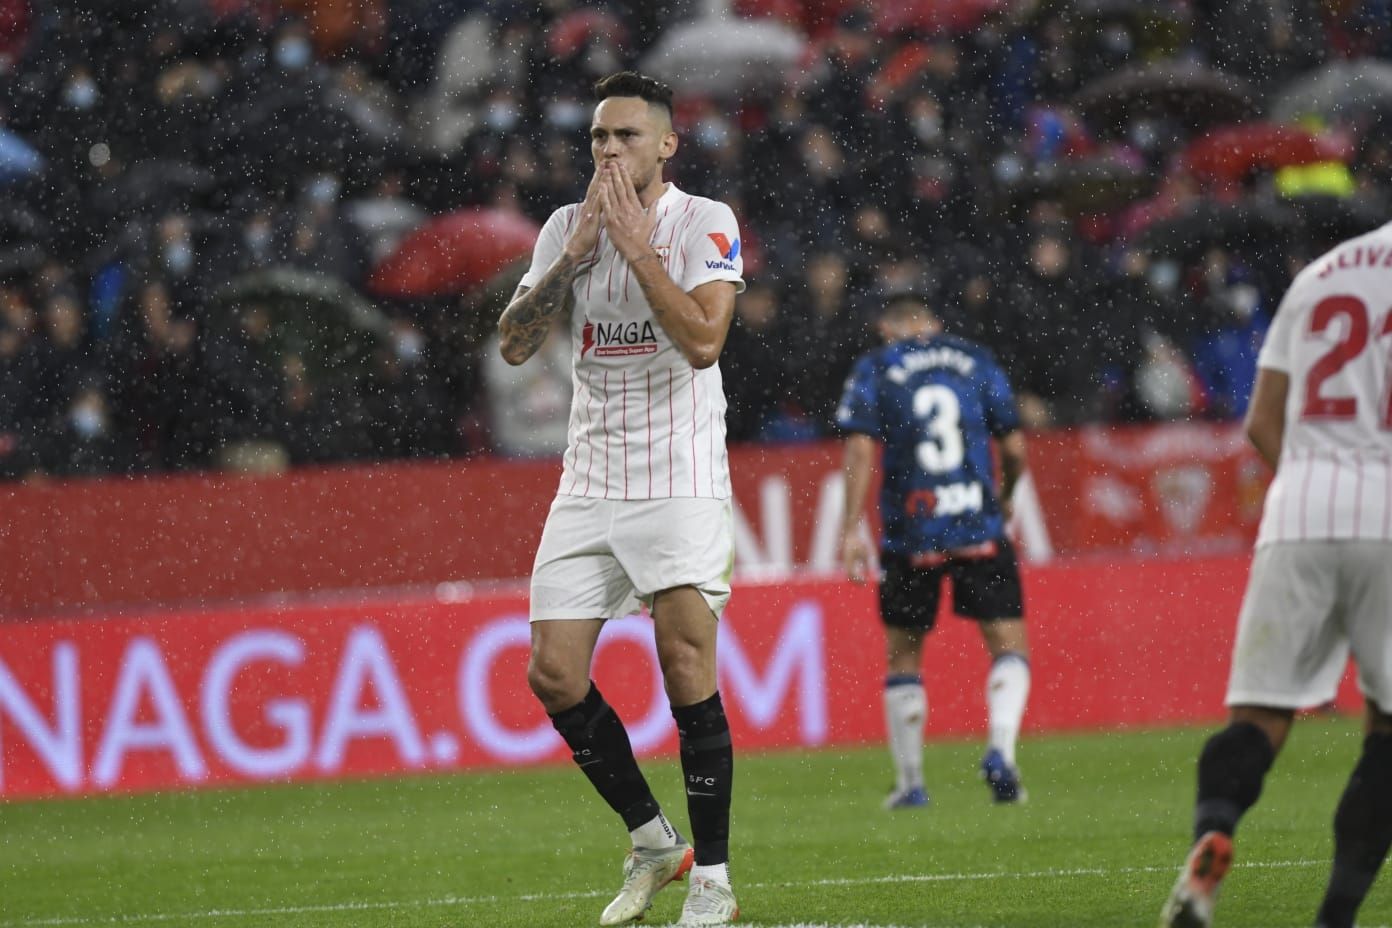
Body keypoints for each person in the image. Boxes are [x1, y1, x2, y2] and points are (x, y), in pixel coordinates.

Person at [496, 71, 744, 928]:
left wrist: (635, 249)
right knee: (553, 673)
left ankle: (711, 878)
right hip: (590, 477)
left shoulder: (705, 222)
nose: (608, 150)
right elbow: (516, 346)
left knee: (685, 666)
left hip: (678, 474)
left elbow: (706, 342)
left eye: (627, 136)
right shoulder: (567, 227)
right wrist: (574, 257)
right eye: (599, 137)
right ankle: (652, 841)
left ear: (666, 144)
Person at [1159, 221, 1392, 928]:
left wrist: (1314, 482)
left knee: (1260, 716)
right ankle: (1336, 916)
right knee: (1388, 729)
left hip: (1299, 507)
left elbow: (1261, 420)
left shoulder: (1319, 275)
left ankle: (1214, 834)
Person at [835, 293, 1032, 810]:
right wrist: (1007, 496)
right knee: (1007, 644)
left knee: (904, 654)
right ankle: (1002, 751)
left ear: (889, 326)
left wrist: (852, 526)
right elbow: (1013, 447)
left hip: (911, 529)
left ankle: (912, 783)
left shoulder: (878, 367)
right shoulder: (976, 361)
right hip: (977, 522)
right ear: (932, 322)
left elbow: (859, 446)